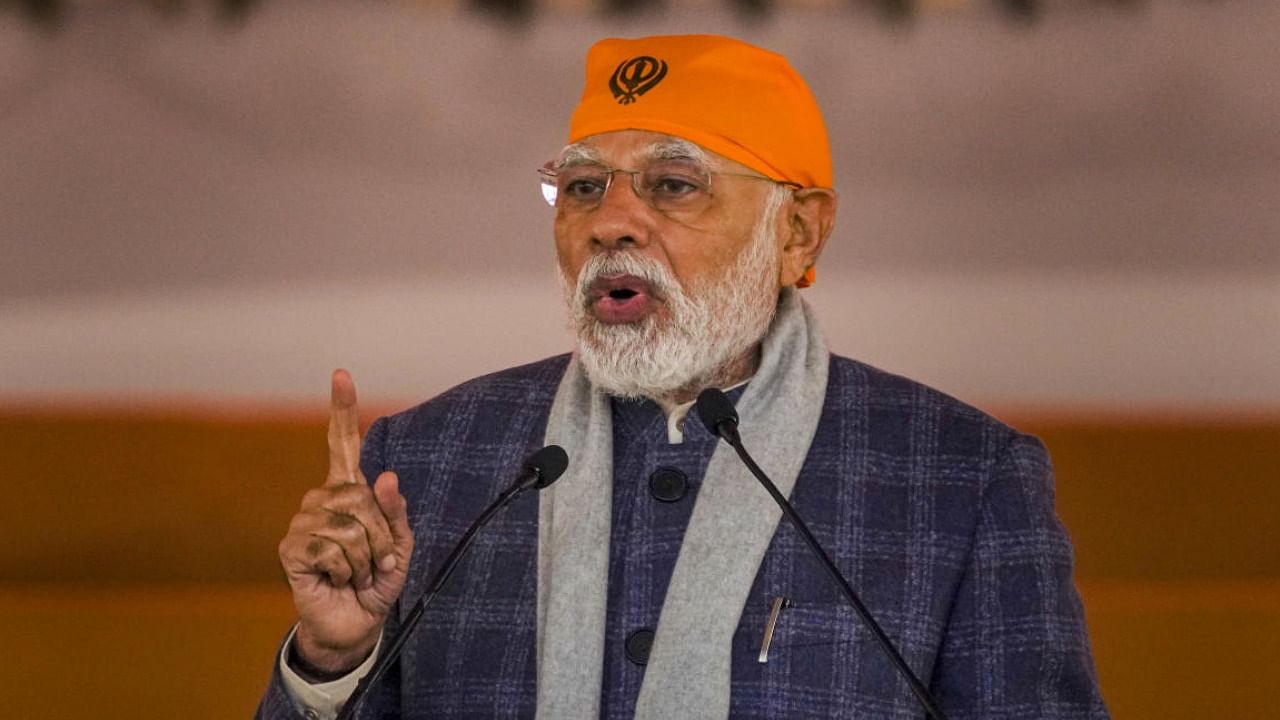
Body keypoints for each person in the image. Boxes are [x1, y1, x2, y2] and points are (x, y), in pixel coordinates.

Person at [256, 34, 1109, 720]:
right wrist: (332, 662)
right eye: (583, 186)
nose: (610, 223)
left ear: (799, 234)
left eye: (672, 184)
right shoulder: (427, 463)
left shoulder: (959, 479)